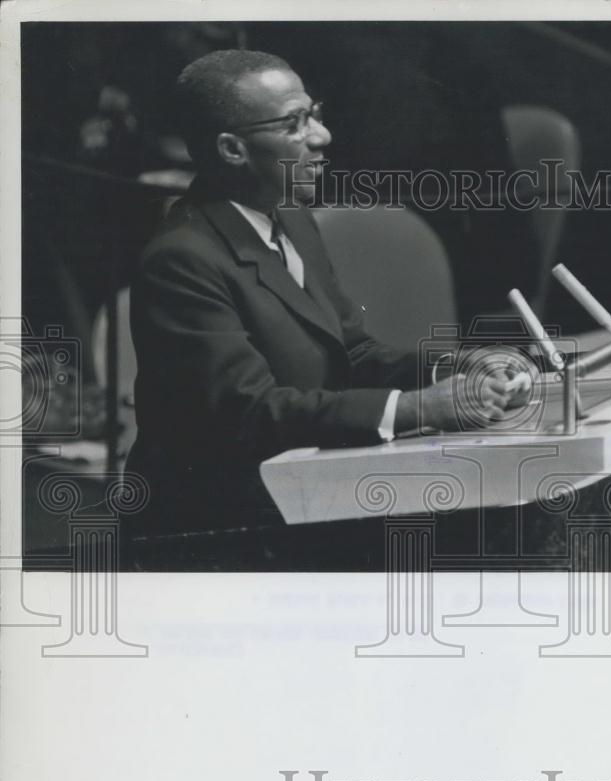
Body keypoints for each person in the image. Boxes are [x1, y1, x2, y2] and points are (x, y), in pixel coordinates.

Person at [125, 49, 523, 555]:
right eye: (294, 123)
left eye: (315, 113)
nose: (321, 136)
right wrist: (422, 408)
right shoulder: (181, 258)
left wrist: (451, 366)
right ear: (231, 148)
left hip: (300, 495)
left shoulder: (289, 217)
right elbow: (250, 414)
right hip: (218, 532)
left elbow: (349, 354)